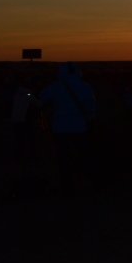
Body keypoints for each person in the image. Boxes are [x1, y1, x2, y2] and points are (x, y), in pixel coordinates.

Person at [39, 62, 96, 194]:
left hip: (60, 128)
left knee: (64, 158)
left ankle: (67, 185)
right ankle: (89, 181)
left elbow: (42, 98)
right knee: (84, 155)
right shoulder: (86, 87)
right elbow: (92, 108)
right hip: (80, 128)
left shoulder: (56, 86)